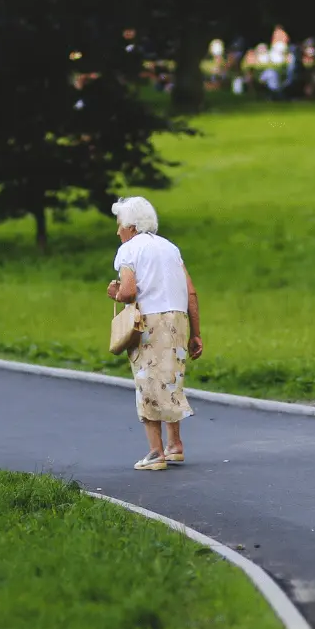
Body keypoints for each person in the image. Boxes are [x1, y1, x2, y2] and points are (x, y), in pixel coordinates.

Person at [106, 196, 204, 471]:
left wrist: (114, 292)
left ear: (131, 225)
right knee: (170, 380)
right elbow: (191, 293)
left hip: (150, 322)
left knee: (147, 382)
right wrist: (196, 333)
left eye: (119, 225)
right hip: (178, 320)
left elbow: (128, 291)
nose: (117, 231)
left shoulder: (128, 250)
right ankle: (175, 447)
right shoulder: (171, 248)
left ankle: (155, 453)